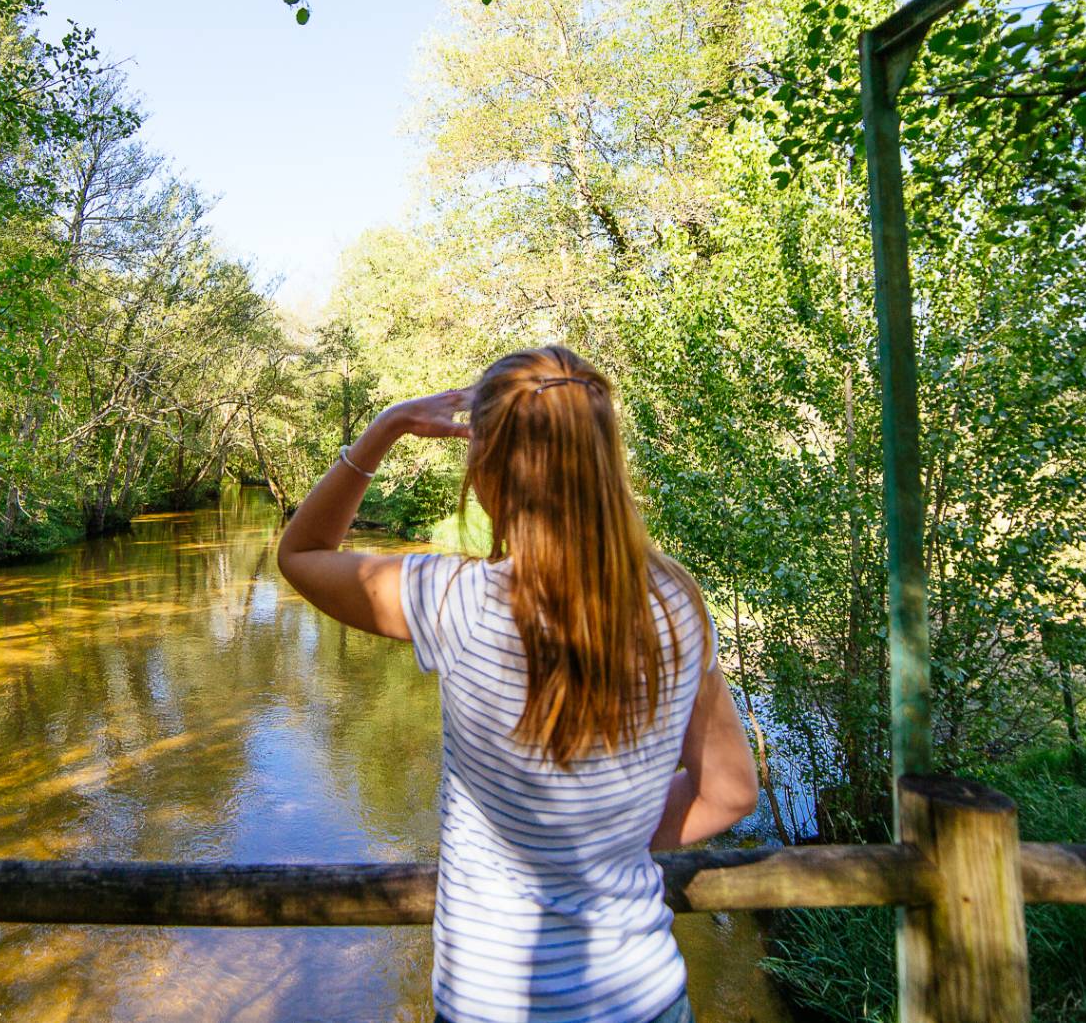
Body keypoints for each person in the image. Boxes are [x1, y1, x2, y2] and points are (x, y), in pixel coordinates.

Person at [277, 345, 760, 1023]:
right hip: (644, 996)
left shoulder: (454, 601)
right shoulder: (676, 600)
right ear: (604, 461)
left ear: (486, 472)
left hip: (491, 1003)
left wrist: (382, 430)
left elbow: (300, 555)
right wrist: (607, 831)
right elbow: (731, 792)